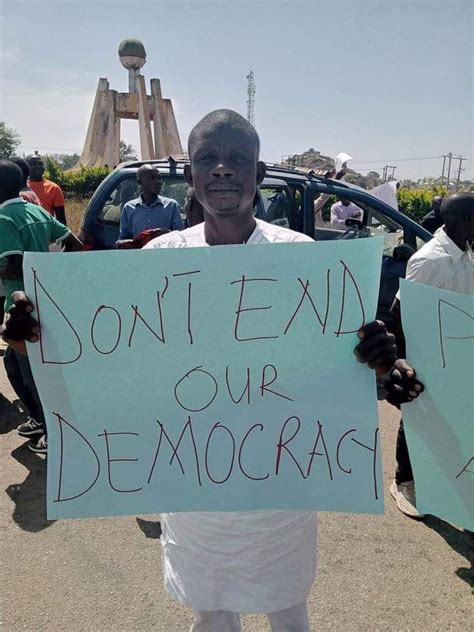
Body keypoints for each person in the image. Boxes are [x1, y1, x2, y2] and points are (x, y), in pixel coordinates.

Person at [3, 111, 420, 631]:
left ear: (260, 171)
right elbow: (115, 362)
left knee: (288, 607)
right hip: (192, 487)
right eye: (208, 159)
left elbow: (337, 363)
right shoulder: (160, 258)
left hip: (279, 486)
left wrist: (379, 359)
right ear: (193, 175)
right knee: (211, 612)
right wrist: (37, 333)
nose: (223, 169)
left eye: (238, 158)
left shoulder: (301, 258)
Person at [389, 193, 473, 519]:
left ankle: (443, 481)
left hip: (459, 352)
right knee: (419, 415)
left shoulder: (464, 252)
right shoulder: (431, 260)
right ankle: (403, 482)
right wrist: (418, 358)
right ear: (465, 221)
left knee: (452, 419)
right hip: (433, 355)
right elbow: (401, 310)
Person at [0, 160, 82, 454]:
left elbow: (11, 265)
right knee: (13, 364)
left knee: (33, 374)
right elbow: (73, 243)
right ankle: (38, 419)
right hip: (45, 302)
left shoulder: (3, 218)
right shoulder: (36, 211)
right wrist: (51, 275)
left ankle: (54, 436)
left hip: (21, 311)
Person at [116, 164, 184, 247]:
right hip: (140, 257)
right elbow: (122, 240)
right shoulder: (129, 208)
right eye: (152, 178)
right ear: (139, 182)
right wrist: (134, 242)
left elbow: (181, 238)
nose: (158, 182)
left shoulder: (171, 206)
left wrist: (166, 234)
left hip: (165, 256)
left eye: (159, 178)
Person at [25, 154, 67, 224]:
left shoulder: (54, 188)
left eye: (40, 163)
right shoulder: (20, 187)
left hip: (47, 231)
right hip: (27, 231)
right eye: (33, 164)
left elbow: (61, 219)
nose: (37, 166)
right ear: (26, 167)